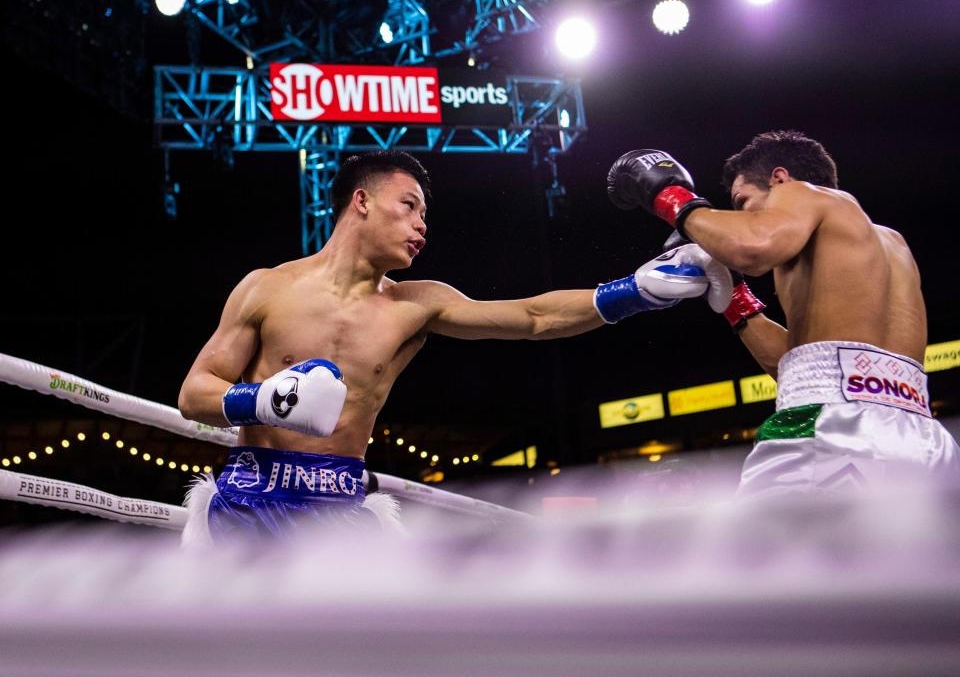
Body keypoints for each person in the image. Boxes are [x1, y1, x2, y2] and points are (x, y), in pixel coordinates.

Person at [178, 150, 731, 542]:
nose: (422, 225)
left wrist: (633, 293)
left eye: (425, 214)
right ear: (362, 201)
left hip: (338, 504)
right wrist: (261, 402)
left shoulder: (417, 304)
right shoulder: (266, 287)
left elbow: (532, 317)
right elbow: (194, 392)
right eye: (410, 206)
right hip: (250, 500)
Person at [607, 131, 960, 497]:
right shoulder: (893, 244)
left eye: (742, 201)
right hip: (924, 439)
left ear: (779, 178)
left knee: (755, 553)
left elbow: (752, 247)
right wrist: (735, 299)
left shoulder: (802, 193)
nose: (737, 216)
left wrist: (671, 197)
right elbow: (809, 372)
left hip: (832, 431)